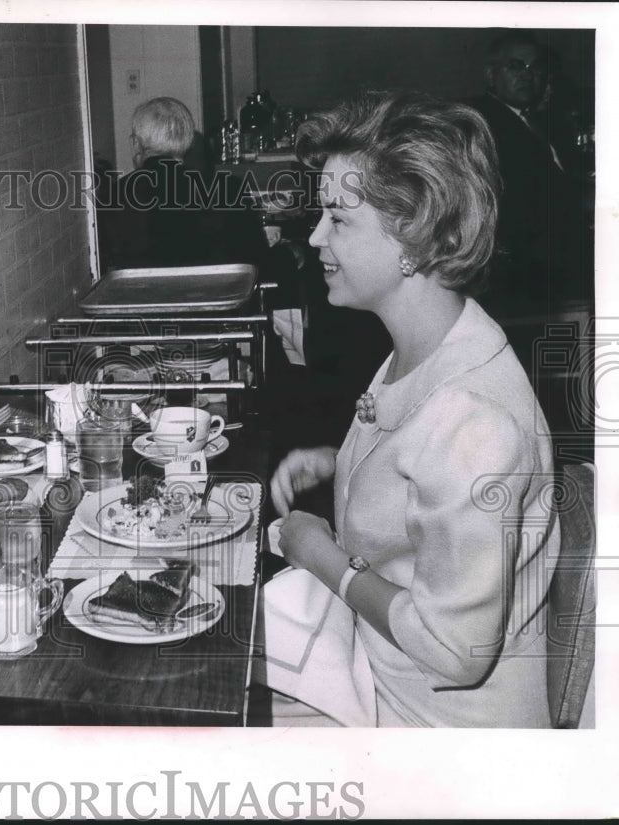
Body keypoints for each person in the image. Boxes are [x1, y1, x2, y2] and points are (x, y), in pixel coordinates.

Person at [267, 91, 559, 727]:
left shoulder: (477, 419)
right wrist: (338, 461)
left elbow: (456, 653)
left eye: (338, 220)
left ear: (415, 238)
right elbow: (419, 465)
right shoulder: (426, 348)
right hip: (382, 680)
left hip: (444, 745)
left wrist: (316, 552)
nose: (314, 238)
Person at [467, 30, 592, 317]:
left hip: (557, 268)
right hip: (524, 276)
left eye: (535, 67)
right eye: (515, 66)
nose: (527, 74)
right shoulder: (482, 122)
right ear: (491, 75)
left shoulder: (538, 121)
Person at [97, 96, 266, 271]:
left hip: (141, 296)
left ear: (135, 144)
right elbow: (255, 261)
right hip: (213, 296)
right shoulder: (229, 189)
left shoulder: (111, 197)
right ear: (189, 143)